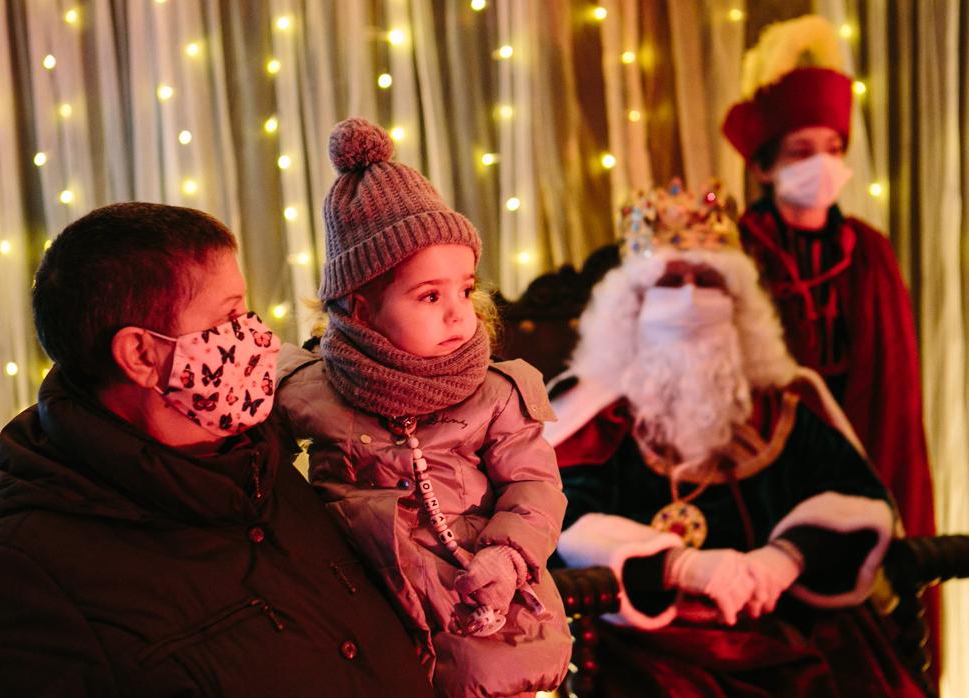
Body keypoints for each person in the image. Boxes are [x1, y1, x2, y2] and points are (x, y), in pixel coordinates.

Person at [0, 203, 433, 697]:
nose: (260, 336)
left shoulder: (256, 458)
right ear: (140, 354)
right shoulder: (24, 577)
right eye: (230, 316)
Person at [550, 182, 924, 697]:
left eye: (707, 281)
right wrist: (678, 565)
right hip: (647, 637)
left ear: (739, 308)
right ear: (631, 309)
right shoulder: (594, 415)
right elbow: (557, 519)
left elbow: (860, 498)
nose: (688, 299)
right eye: (670, 282)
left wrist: (787, 558)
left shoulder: (783, 406)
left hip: (783, 615)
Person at [274, 118, 572, 697]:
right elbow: (258, 477)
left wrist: (507, 557)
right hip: (363, 612)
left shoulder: (493, 391)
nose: (459, 313)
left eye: (465, 288)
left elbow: (535, 484)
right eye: (429, 296)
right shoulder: (309, 390)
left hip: (478, 595)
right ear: (360, 310)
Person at [720, 14, 935, 546]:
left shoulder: (868, 251)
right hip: (770, 468)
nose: (822, 164)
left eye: (833, 149)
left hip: (866, 451)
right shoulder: (736, 251)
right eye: (801, 151)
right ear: (766, 167)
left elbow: (896, 394)